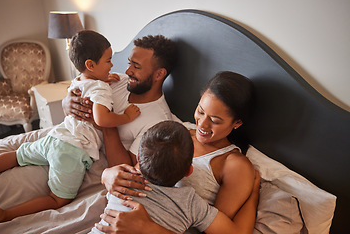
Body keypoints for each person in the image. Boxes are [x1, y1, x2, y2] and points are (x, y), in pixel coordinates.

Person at [0, 30, 141, 223]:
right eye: (108, 61)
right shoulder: (101, 89)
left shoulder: (79, 80)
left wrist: (102, 77)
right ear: (90, 65)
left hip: (56, 136)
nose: (112, 65)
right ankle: (4, 214)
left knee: (16, 155)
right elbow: (102, 119)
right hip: (71, 150)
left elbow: (90, 85)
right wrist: (125, 116)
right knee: (58, 199)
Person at [95, 71, 257, 233]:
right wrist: (108, 175)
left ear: (237, 122)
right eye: (200, 111)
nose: (203, 125)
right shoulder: (174, 136)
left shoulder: (234, 164)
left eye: (215, 121)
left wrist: (254, 193)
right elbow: (141, 171)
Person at [90, 120, 260, 234]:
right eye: (200, 111)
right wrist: (253, 193)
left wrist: (107, 173)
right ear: (188, 171)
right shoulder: (190, 203)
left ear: (139, 160)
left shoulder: (123, 180)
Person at [63, 34, 177, 167]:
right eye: (129, 63)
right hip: (67, 137)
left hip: (87, 162)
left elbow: (125, 168)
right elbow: (84, 83)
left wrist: (107, 125)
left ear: (159, 74)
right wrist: (67, 103)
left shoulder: (158, 123)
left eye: (136, 66)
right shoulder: (117, 80)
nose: (128, 70)